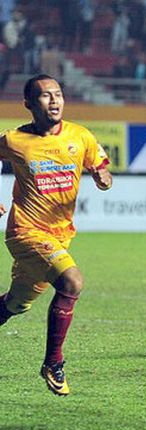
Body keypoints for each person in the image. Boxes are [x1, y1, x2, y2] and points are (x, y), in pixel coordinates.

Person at [0, 75, 112, 395]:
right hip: (25, 233)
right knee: (72, 281)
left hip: (59, 236)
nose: (54, 101)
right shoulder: (14, 140)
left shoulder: (80, 136)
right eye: (46, 96)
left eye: (58, 94)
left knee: (17, 304)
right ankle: (53, 362)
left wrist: (103, 176)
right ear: (29, 105)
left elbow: (102, 168)